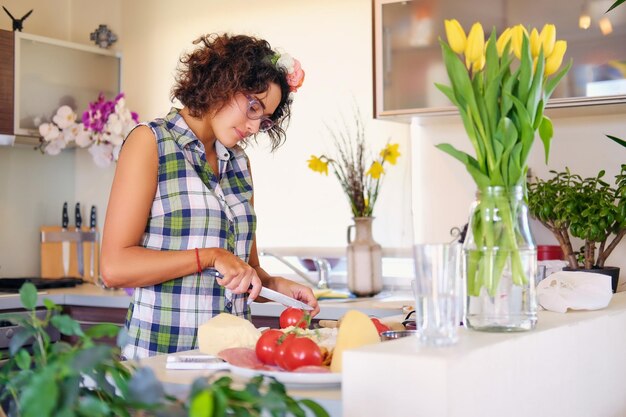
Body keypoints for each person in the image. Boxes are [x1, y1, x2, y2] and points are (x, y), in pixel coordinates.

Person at [100, 33, 318, 359]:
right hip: (159, 361)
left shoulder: (239, 163)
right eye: (253, 107)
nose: (255, 126)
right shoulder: (151, 143)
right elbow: (114, 267)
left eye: (265, 118)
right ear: (222, 82)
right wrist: (210, 256)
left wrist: (274, 286)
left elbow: (245, 271)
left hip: (231, 361)